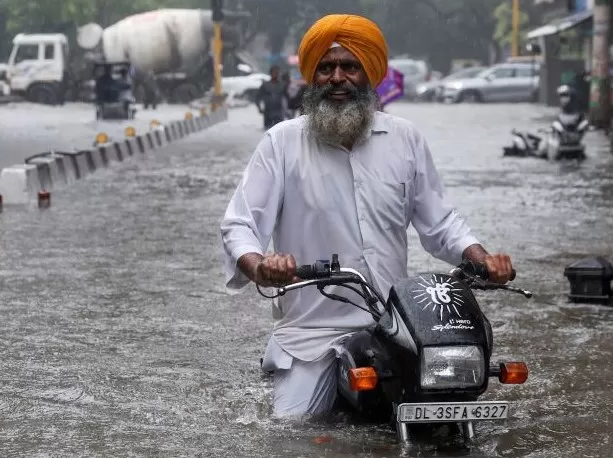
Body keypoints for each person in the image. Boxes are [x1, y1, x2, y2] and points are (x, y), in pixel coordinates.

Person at [220, 14, 515, 418]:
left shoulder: (405, 138)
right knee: (294, 428)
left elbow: (440, 221)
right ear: (312, 76)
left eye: (349, 66)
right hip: (313, 334)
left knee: (455, 406)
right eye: (325, 68)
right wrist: (261, 266)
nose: (337, 77)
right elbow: (240, 225)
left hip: (399, 326)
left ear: (370, 74)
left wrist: (483, 260)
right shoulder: (281, 143)